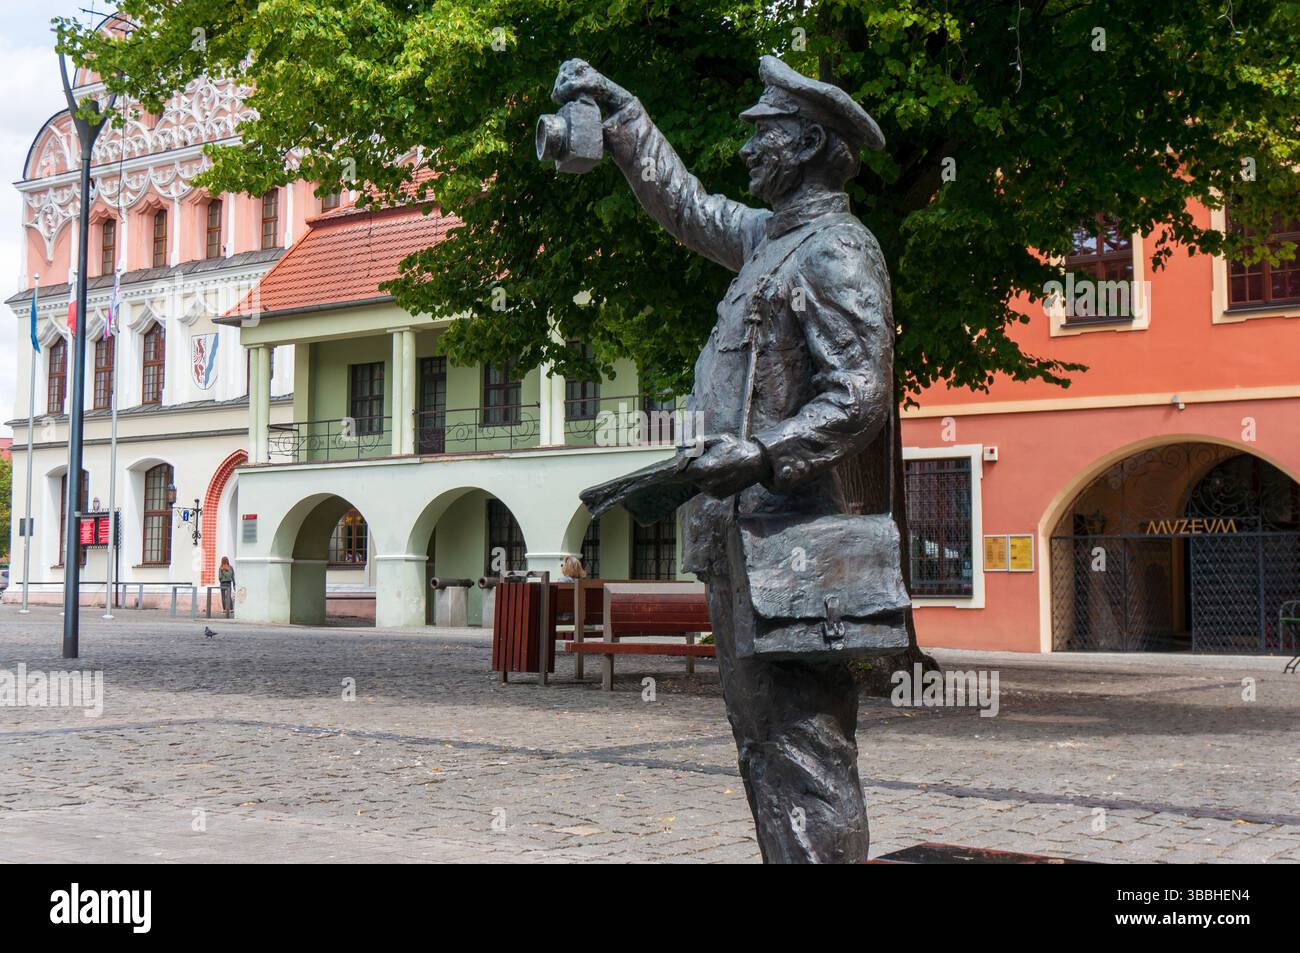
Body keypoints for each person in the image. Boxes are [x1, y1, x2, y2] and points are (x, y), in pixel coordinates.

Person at [554, 55, 892, 863]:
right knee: (762, 750)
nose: (745, 151)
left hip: (794, 548)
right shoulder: (768, 239)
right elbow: (684, 203)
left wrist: (763, 451)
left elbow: (859, 392)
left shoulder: (837, 248)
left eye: (762, 134)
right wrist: (623, 110)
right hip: (742, 539)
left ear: (809, 140)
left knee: (806, 756)